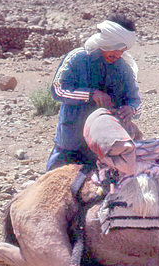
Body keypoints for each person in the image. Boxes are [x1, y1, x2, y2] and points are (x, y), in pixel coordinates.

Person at [45, 14, 142, 171]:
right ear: (106, 41)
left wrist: (130, 109)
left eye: (122, 50)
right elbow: (58, 90)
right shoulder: (78, 58)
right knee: (53, 187)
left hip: (103, 147)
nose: (118, 55)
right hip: (70, 142)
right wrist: (91, 94)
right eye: (116, 48)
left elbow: (136, 103)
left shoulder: (124, 69)